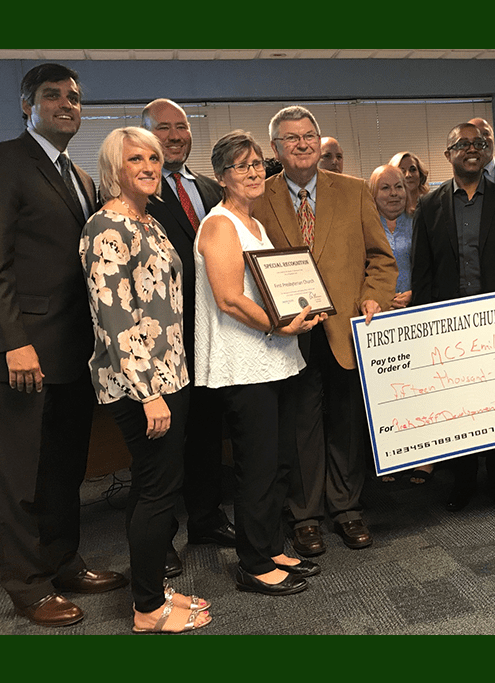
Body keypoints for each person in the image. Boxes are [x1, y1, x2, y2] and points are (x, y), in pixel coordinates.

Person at [0, 63, 127, 628]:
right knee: (18, 476)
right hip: (20, 354)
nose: (66, 104)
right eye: (52, 95)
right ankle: (26, 584)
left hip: (70, 354)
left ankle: (62, 560)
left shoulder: (78, 178)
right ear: (25, 106)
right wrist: (14, 343)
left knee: (62, 469)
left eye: (74, 97)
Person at [80, 127, 211, 633]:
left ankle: (151, 590)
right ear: (115, 168)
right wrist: (149, 392)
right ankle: (147, 610)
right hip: (140, 385)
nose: (149, 165)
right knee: (159, 490)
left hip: (169, 373)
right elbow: (114, 317)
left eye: (154, 157)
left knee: (153, 485)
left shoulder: (149, 221)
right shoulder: (107, 227)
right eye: (135, 158)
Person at [252, 106, 397, 557]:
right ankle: (305, 516)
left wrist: (375, 295)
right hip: (288, 333)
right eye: (291, 138)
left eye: (309, 135)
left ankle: (348, 508)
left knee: (346, 424)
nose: (302, 144)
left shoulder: (354, 191)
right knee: (300, 430)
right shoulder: (260, 196)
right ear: (275, 148)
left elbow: (381, 258)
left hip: (344, 331)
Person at [195, 130, 327, 595]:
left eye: (256, 164)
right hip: (244, 363)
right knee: (255, 467)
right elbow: (229, 299)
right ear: (220, 176)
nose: (252, 172)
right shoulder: (220, 224)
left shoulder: (255, 223)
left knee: (276, 463)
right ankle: (253, 563)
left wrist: (297, 314)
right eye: (240, 166)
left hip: (275, 359)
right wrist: (280, 325)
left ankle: (271, 547)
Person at [411, 122, 495, 511]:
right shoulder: (429, 206)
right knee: (459, 408)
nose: (472, 149)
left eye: (479, 143)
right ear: (448, 154)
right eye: (462, 144)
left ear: (488, 152)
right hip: (450, 328)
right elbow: (423, 270)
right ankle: (462, 482)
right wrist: (424, 324)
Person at [140, 98, 235, 579]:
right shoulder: (136, 192)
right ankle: (161, 540)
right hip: (163, 341)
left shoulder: (207, 188)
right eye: (163, 128)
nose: (175, 135)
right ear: (144, 136)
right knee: (165, 444)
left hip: (212, 334)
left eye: (181, 127)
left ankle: (205, 518)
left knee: (204, 434)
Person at [367, 164, 433, 484]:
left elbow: (430, 262)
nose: (393, 194)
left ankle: (425, 456)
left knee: (420, 389)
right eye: (385, 188)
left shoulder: (419, 221)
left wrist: (416, 293)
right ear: (372, 193)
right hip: (378, 317)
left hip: (416, 312)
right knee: (388, 392)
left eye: (398, 187)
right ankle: (391, 455)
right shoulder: (364, 226)